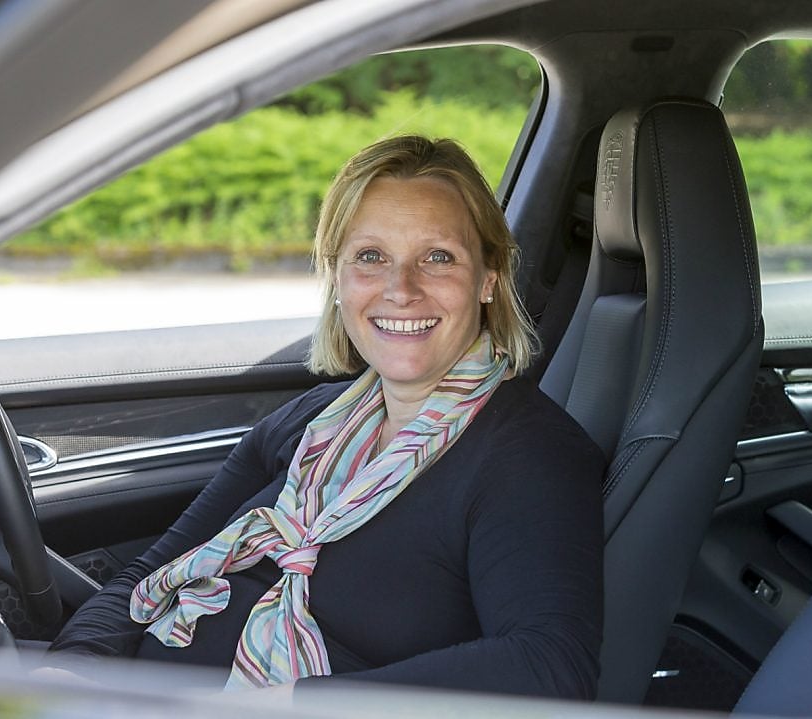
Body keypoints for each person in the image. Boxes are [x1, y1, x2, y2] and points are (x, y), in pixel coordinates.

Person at [40, 135, 604, 699]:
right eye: (370, 257)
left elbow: (550, 664)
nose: (400, 289)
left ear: (489, 277)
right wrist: (68, 670)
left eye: (437, 258)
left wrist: (295, 705)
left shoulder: (527, 454)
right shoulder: (311, 420)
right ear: (338, 277)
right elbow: (154, 569)